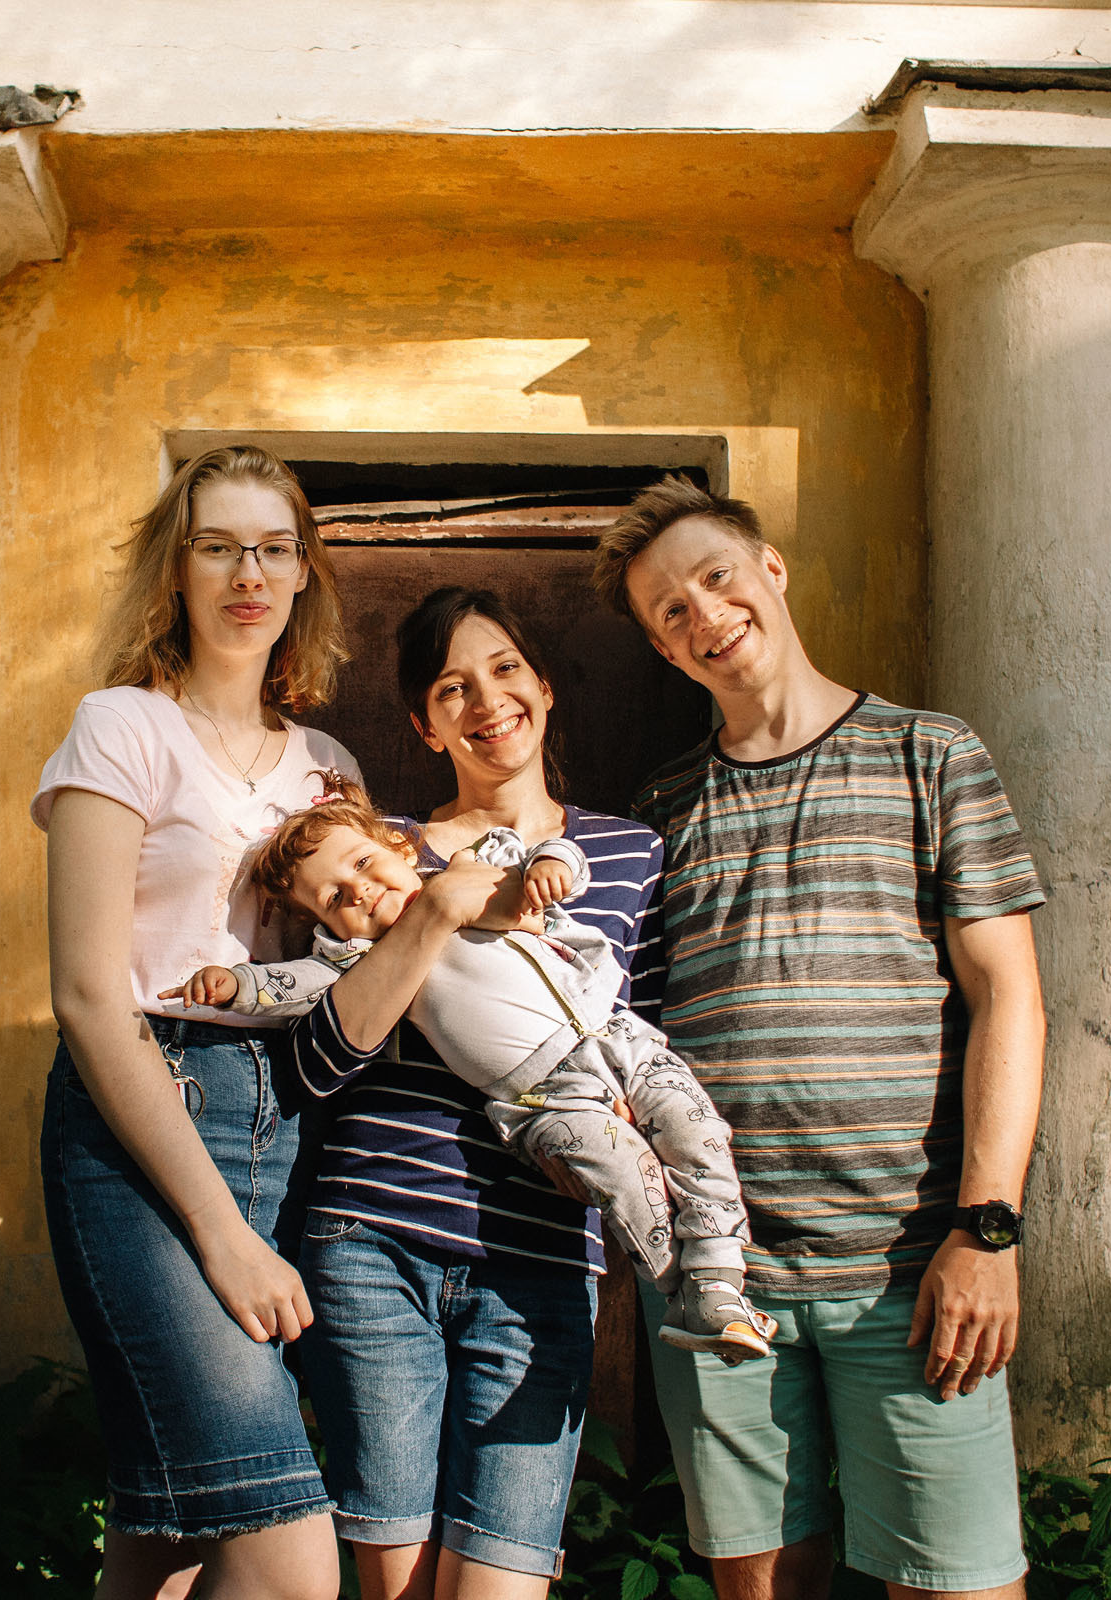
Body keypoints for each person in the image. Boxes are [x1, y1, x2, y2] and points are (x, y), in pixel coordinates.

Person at [591, 477, 1049, 1600]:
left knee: (960, 1584)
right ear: (661, 647)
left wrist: (987, 1228)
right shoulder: (662, 811)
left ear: (771, 569)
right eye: (670, 612)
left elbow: (1010, 1000)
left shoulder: (930, 756)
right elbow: (623, 1032)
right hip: (720, 1278)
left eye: (714, 577)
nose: (704, 614)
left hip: (911, 1272)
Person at [279, 587, 660, 1599]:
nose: (485, 700)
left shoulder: (626, 853)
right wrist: (435, 909)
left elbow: (639, 1032)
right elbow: (316, 1064)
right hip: (375, 1237)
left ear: (540, 684)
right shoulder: (376, 853)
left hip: (540, 1257)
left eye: (502, 670)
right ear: (425, 722)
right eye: (452, 688)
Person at [33, 445, 356, 1600]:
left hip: (280, 1123)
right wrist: (223, 1230)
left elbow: (347, 982)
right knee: (282, 1549)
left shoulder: (325, 768)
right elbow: (85, 993)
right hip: (139, 1123)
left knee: (164, 1539)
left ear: (305, 570)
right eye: (217, 545)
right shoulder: (121, 727)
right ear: (177, 568)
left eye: (273, 547)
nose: (246, 572)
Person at [167, 773, 769, 1359]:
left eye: (361, 864)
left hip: (619, 1041)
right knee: (625, 1171)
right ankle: (686, 1293)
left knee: (701, 1133)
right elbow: (292, 986)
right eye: (334, 899)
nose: (359, 891)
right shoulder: (361, 960)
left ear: (398, 847)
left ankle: (721, 1277)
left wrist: (551, 865)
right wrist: (235, 983)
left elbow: (548, 857)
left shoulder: (474, 869)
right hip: (542, 1098)